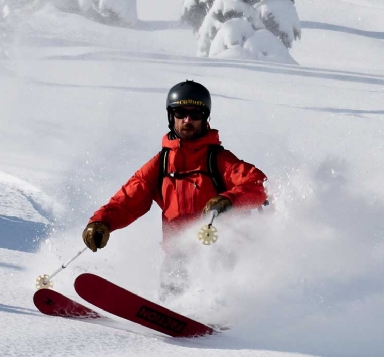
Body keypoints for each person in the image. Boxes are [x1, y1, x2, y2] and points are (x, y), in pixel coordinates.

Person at [82, 81, 268, 295]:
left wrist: (229, 199)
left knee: (215, 291)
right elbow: (129, 198)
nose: (187, 120)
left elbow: (258, 184)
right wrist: (101, 222)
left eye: (195, 114)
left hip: (221, 254)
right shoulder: (160, 164)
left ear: (205, 118)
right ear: (171, 116)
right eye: (181, 112)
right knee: (174, 289)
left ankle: (225, 320)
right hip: (178, 258)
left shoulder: (218, 160)